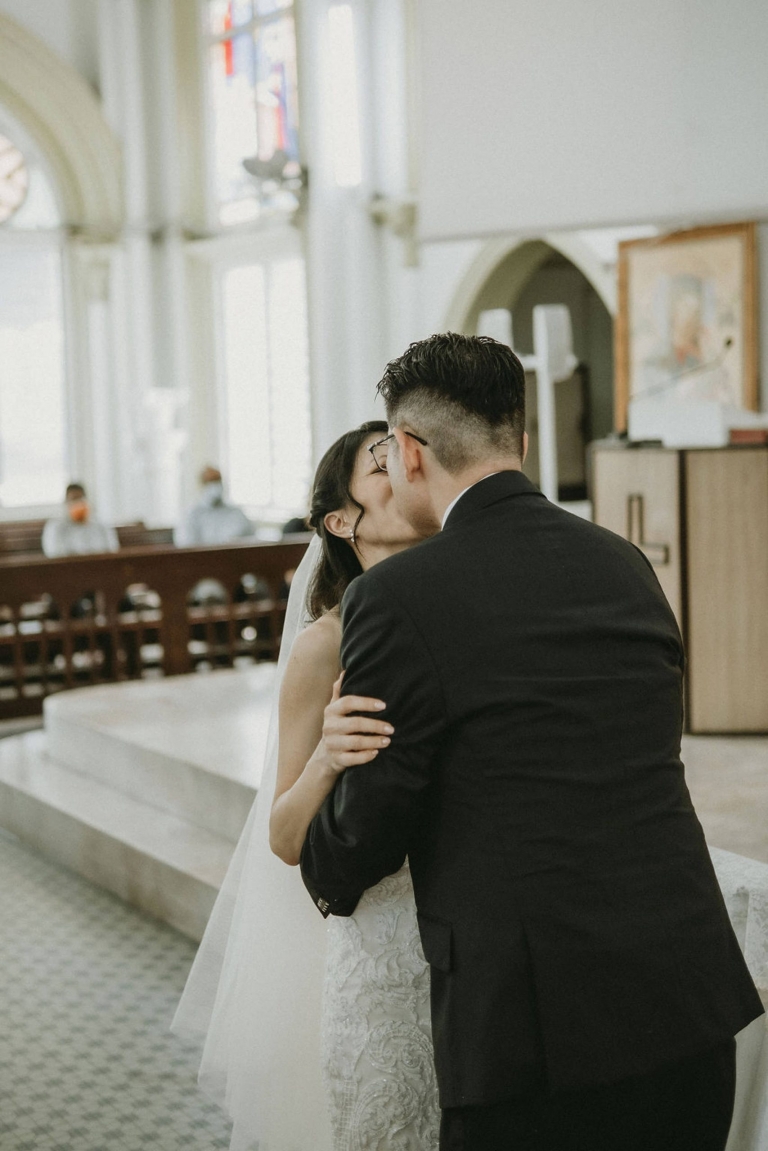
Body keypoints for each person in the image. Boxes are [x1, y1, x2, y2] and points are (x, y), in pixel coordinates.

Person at [300, 333, 765, 1151]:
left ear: (408, 452)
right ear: (519, 440)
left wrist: (320, 845)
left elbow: (368, 829)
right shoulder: (625, 563)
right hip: (687, 1000)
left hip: (536, 1035)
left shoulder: (395, 596)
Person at [172, 421, 438, 1151]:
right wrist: (326, 753)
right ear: (341, 520)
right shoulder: (324, 645)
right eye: (381, 463)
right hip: (376, 926)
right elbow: (283, 835)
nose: (404, 468)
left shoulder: (455, 597)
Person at [174, 466, 253, 548]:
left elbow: (249, 537)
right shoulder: (191, 515)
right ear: (202, 485)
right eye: (211, 481)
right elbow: (186, 544)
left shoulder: (235, 512)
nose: (215, 486)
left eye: (218, 480)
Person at [41, 482, 119, 557]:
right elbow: (53, 553)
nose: (78, 503)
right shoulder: (55, 527)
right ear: (66, 502)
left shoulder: (100, 525)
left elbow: (112, 549)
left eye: (80, 499)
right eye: (73, 499)